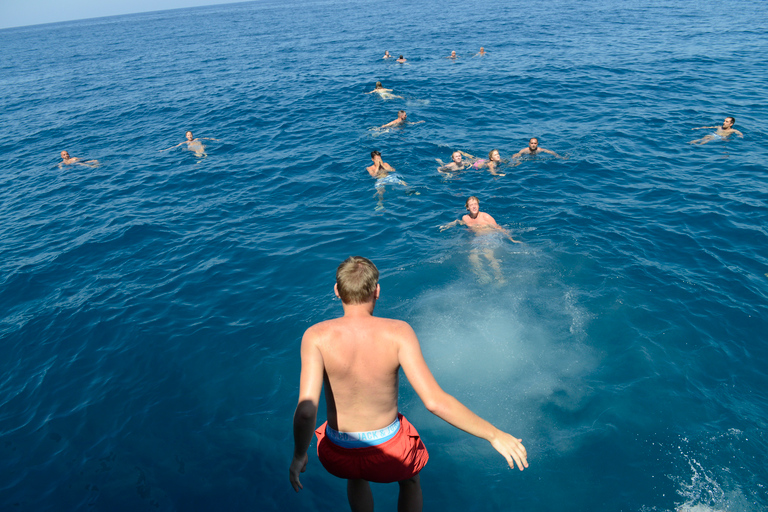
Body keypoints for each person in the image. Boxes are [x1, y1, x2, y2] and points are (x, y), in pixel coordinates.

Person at [289, 256, 528, 512]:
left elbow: (306, 412)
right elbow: (435, 402)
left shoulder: (315, 336)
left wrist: (299, 455)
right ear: (377, 290)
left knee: (355, 476)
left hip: (338, 452)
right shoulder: (398, 332)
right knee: (410, 480)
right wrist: (494, 434)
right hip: (391, 452)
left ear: (337, 291)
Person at [440, 196, 522, 283]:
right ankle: (483, 276)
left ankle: (500, 278)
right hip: (478, 239)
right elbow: (460, 222)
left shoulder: (485, 217)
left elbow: (499, 228)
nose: (474, 206)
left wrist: (512, 239)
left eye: (475, 204)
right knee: (472, 257)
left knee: (488, 255)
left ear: (478, 206)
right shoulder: (465, 218)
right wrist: (450, 224)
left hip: (490, 237)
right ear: (467, 207)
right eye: (471, 205)